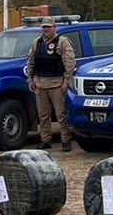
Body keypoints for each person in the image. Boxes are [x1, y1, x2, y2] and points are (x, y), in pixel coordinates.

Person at [24, 17, 76, 151]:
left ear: (54, 27)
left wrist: (66, 81)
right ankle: (45, 140)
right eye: (44, 27)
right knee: (43, 115)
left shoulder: (62, 42)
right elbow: (31, 62)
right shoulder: (37, 42)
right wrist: (30, 79)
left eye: (48, 27)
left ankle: (66, 140)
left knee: (61, 114)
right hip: (40, 83)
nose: (46, 29)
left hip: (57, 83)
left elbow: (69, 62)